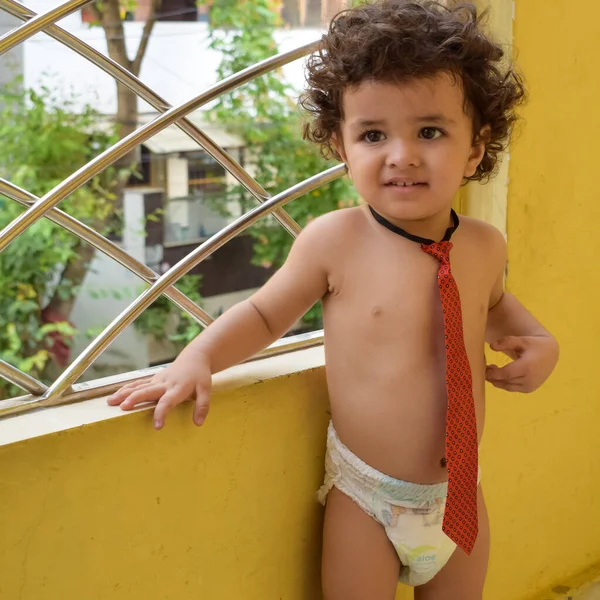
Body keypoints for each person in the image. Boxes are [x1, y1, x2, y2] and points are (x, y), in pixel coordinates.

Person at [108, 1, 559, 598]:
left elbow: (500, 310)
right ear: (343, 149)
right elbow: (263, 313)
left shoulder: (482, 245)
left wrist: (543, 349)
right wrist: (198, 358)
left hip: (460, 498)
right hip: (366, 498)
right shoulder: (335, 241)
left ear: (475, 149)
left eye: (430, 131)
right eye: (373, 135)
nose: (401, 154)